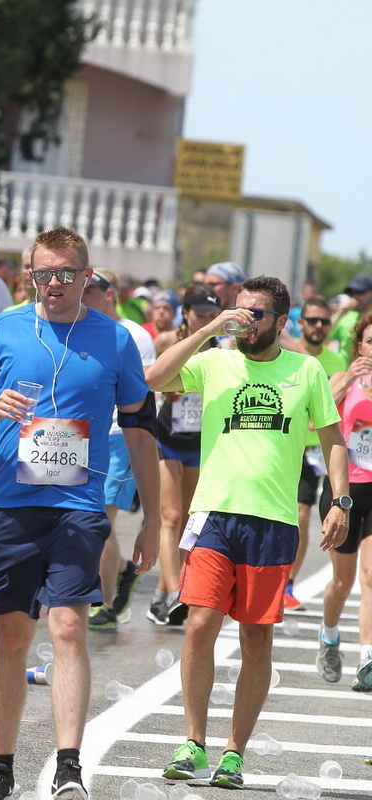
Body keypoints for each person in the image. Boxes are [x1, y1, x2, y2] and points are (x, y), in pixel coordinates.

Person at [0, 227, 159, 800]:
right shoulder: (4, 329)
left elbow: (140, 431)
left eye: (67, 273)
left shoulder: (113, 339)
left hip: (79, 504)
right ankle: (0, 769)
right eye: (45, 274)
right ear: (30, 276)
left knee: (68, 626)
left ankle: (69, 768)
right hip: (13, 505)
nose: (56, 283)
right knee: (13, 637)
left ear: (86, 277)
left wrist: (154, 520)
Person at [147, 276, 347, 790]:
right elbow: (154, 377)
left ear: (282, 322)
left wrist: (338, 501)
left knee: (256, 638)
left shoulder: (306, 371)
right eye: (241, 311)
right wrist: (210, 327)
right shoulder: (215, 360)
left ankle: (234, 752)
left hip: (273, 520)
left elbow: (332, 439)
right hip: (214, 513)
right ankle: (193, 742)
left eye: (256, 314)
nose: (245, 321)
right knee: (198, 624)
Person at [80, 269, 156, 630]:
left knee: (102, 519)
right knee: (84, 516)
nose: (85, 294)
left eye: (91, 289)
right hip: (81, 433)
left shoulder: (134, 335)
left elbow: (146, 390)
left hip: (119, 434)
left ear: (110, 294)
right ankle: (122, 570)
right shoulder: (78, 325)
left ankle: (103, 602)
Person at [146, 287, 221, 626]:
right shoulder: (166, 341)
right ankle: (178, 591)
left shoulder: (223, 351)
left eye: (211, 315)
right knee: (171, 516)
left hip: (199, 442)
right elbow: (147, 381)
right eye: (200, 314)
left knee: (189, 522)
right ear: (186, 312)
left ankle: (163, 594)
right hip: (167, 438)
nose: (205, 321)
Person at [313, 309, 372, 688]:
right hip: (344, 492)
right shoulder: (341, 379)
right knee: (342, 580)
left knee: (371, 576)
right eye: (371, 342)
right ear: (359, 345)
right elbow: (314, 419)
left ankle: (368, 659)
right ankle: (329, 635)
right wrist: (349, 380)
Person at [285, 297, 345, 610]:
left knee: (302, 516)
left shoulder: (337, 363)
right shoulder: (286, 354)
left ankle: (288, 584)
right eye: (312, 320)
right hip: (288, 445)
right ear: (302, 322)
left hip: (318, 449)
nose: (318, 326)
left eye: (324, 321)